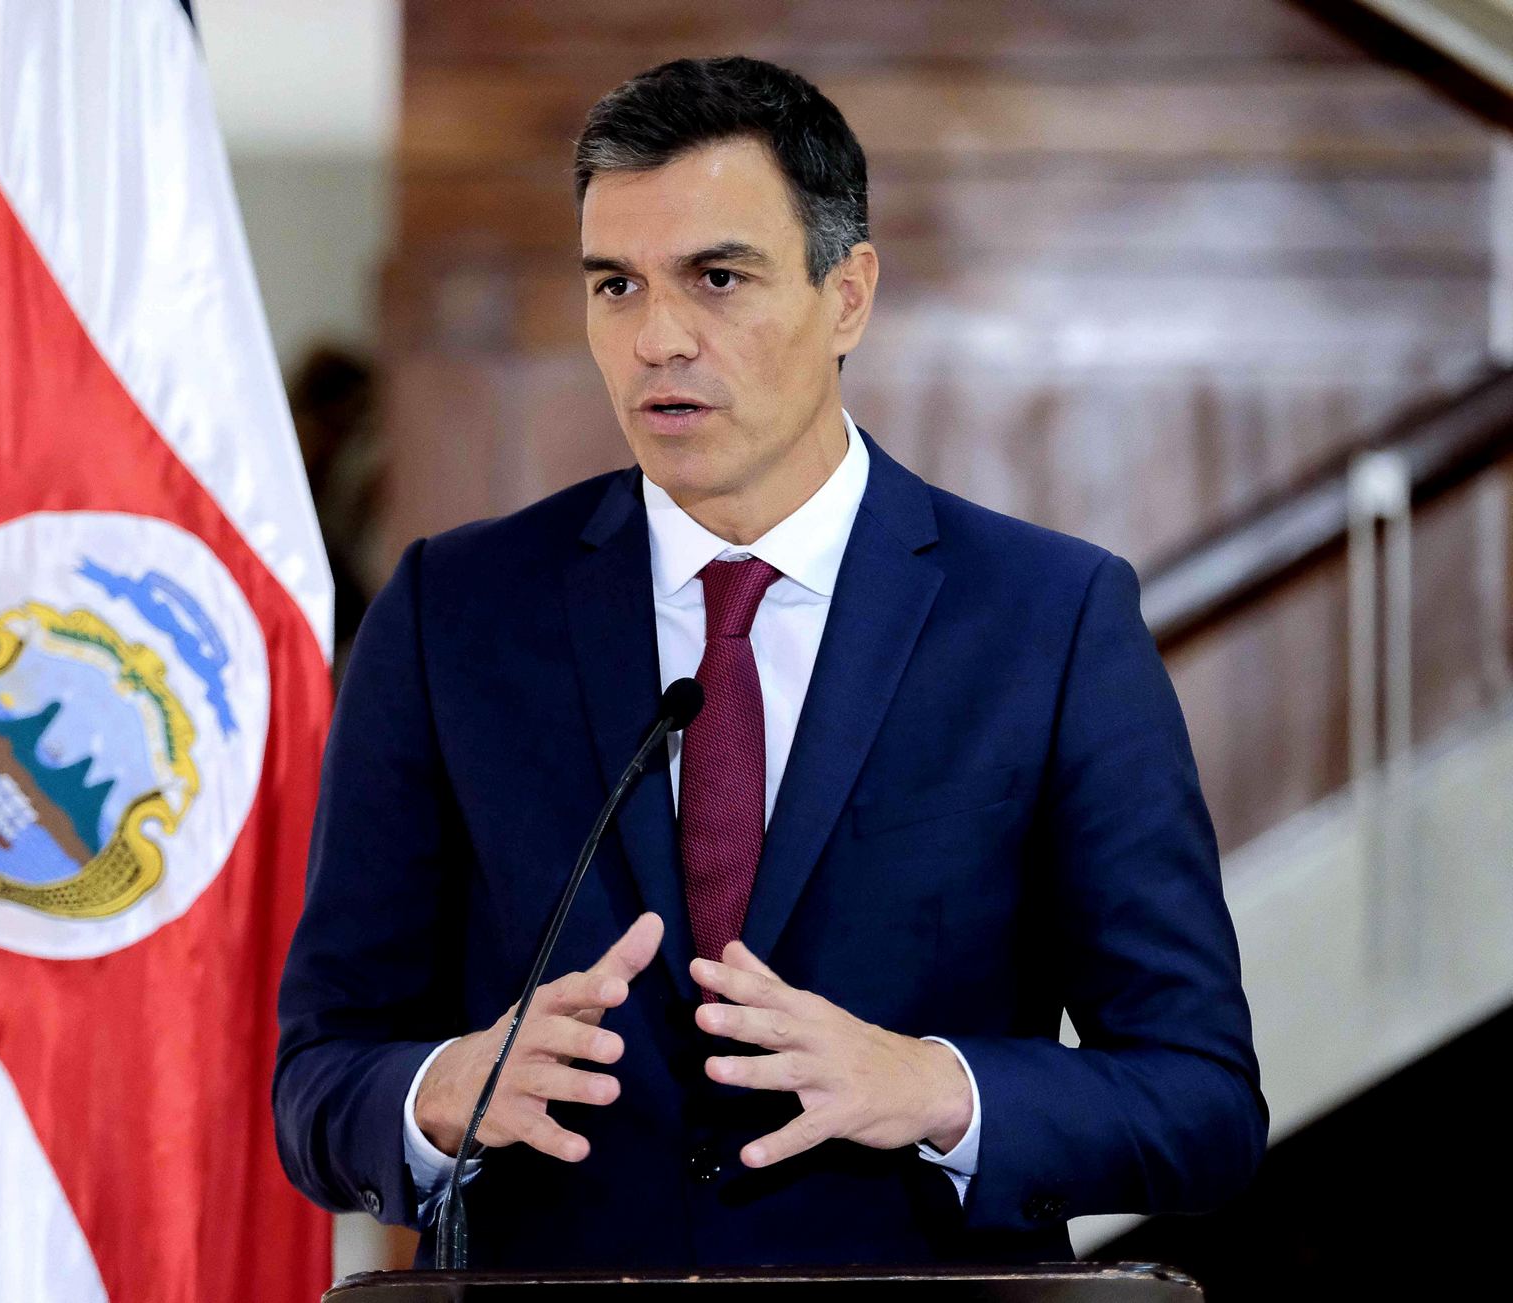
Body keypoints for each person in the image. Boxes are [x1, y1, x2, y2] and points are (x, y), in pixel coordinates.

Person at [272, 55, 1266, 1270]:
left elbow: (1201, 1101)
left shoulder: (1048, 620)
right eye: (616, 285)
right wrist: (441, 1090)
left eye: (717, 278)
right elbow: (320, 1080)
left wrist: (938, 1086)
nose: (657, 338)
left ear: (846, 295)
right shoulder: (451, 614)